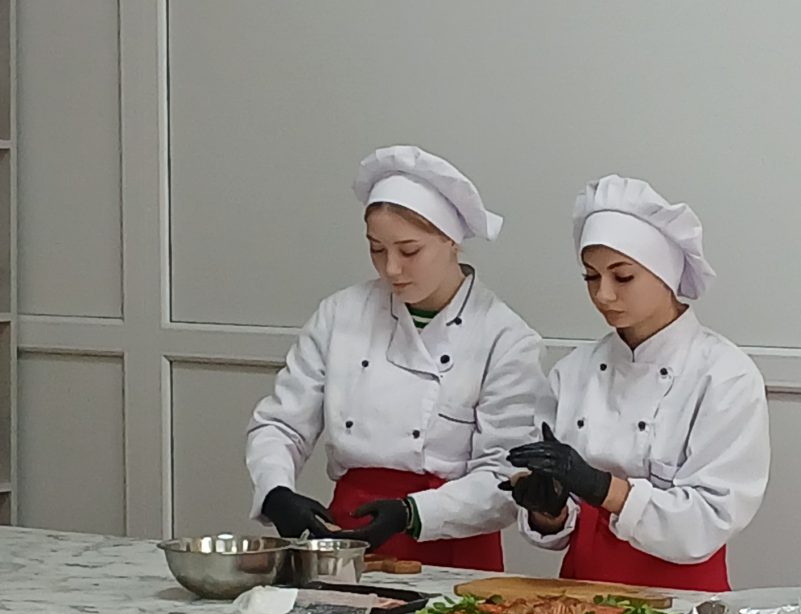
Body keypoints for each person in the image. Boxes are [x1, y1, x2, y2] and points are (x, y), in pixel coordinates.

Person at [246, 145, 547, 570]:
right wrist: (277, 492)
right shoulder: (341, 314)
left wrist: (412, 513)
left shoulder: (504, 337)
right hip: (348, 531)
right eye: (376, 249)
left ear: (451, 241)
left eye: (409, 251)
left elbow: (505, 476)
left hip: (453, 545)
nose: (391, 268)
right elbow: (280, 424)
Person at [502, 174, 770, 590]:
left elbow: (708, 520)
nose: (603, 295)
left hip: (680, 595)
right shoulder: (572, 372)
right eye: (591, 277)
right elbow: (560, 527)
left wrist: (602, 487)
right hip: (579, 592)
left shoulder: (725, 376)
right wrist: (548, 509)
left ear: (666, 274)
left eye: (622, 277)